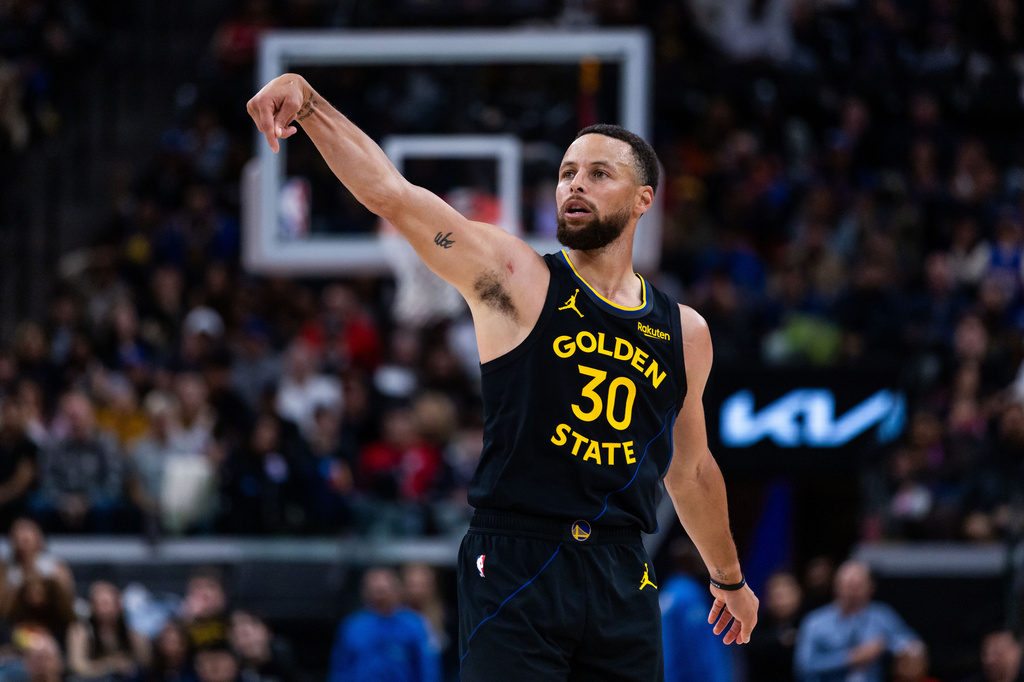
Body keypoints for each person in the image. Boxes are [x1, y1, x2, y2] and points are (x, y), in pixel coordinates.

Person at [247, 73, 758, 682]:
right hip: (518, 557)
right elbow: (393, 195)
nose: (575, 184)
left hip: (622, 568)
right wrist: (310, 105)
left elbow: (691, 470)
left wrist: (729, 578)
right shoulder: (518, 278)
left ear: (644, 199)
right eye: (568, 172)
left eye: (599, 173)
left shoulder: (685, 331)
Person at [795, 560, 921, 682]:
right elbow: (804, 666)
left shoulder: (882, 616)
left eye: (857, 586)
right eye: (848, 585)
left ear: (870, 587)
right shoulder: (814, 622)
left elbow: (908, 641)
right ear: (836, 586)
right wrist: (850, 658)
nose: (852, 592)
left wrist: (900, 648)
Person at [328, 567, 440, 682]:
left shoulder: (413, 624)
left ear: (397, 590)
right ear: (365, 592)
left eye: (384, 589)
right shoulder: (353, 625)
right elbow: (340, 669)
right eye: (376, 590)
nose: (381, 595)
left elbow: (427, 669)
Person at [66, 581, 151, 681]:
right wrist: (110, 664)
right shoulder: (81, 631)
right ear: (92, 606)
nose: (107, 609)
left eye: (111, 603)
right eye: (102, 604)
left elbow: (146, 661)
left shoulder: (129, 631)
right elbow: (77, 667)